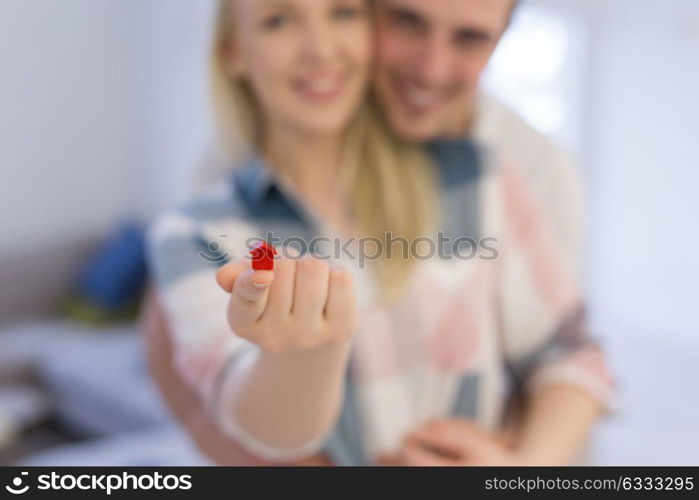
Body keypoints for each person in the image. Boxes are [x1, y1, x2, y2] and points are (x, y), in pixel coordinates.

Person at [145, 0, 613, 466]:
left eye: (342, 13)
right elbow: (251, 422)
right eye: (279, 21)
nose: (320, 49)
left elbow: (566, 353)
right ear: (234, 51)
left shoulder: (485, 172)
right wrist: (306, 354)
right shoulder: (199, 225)